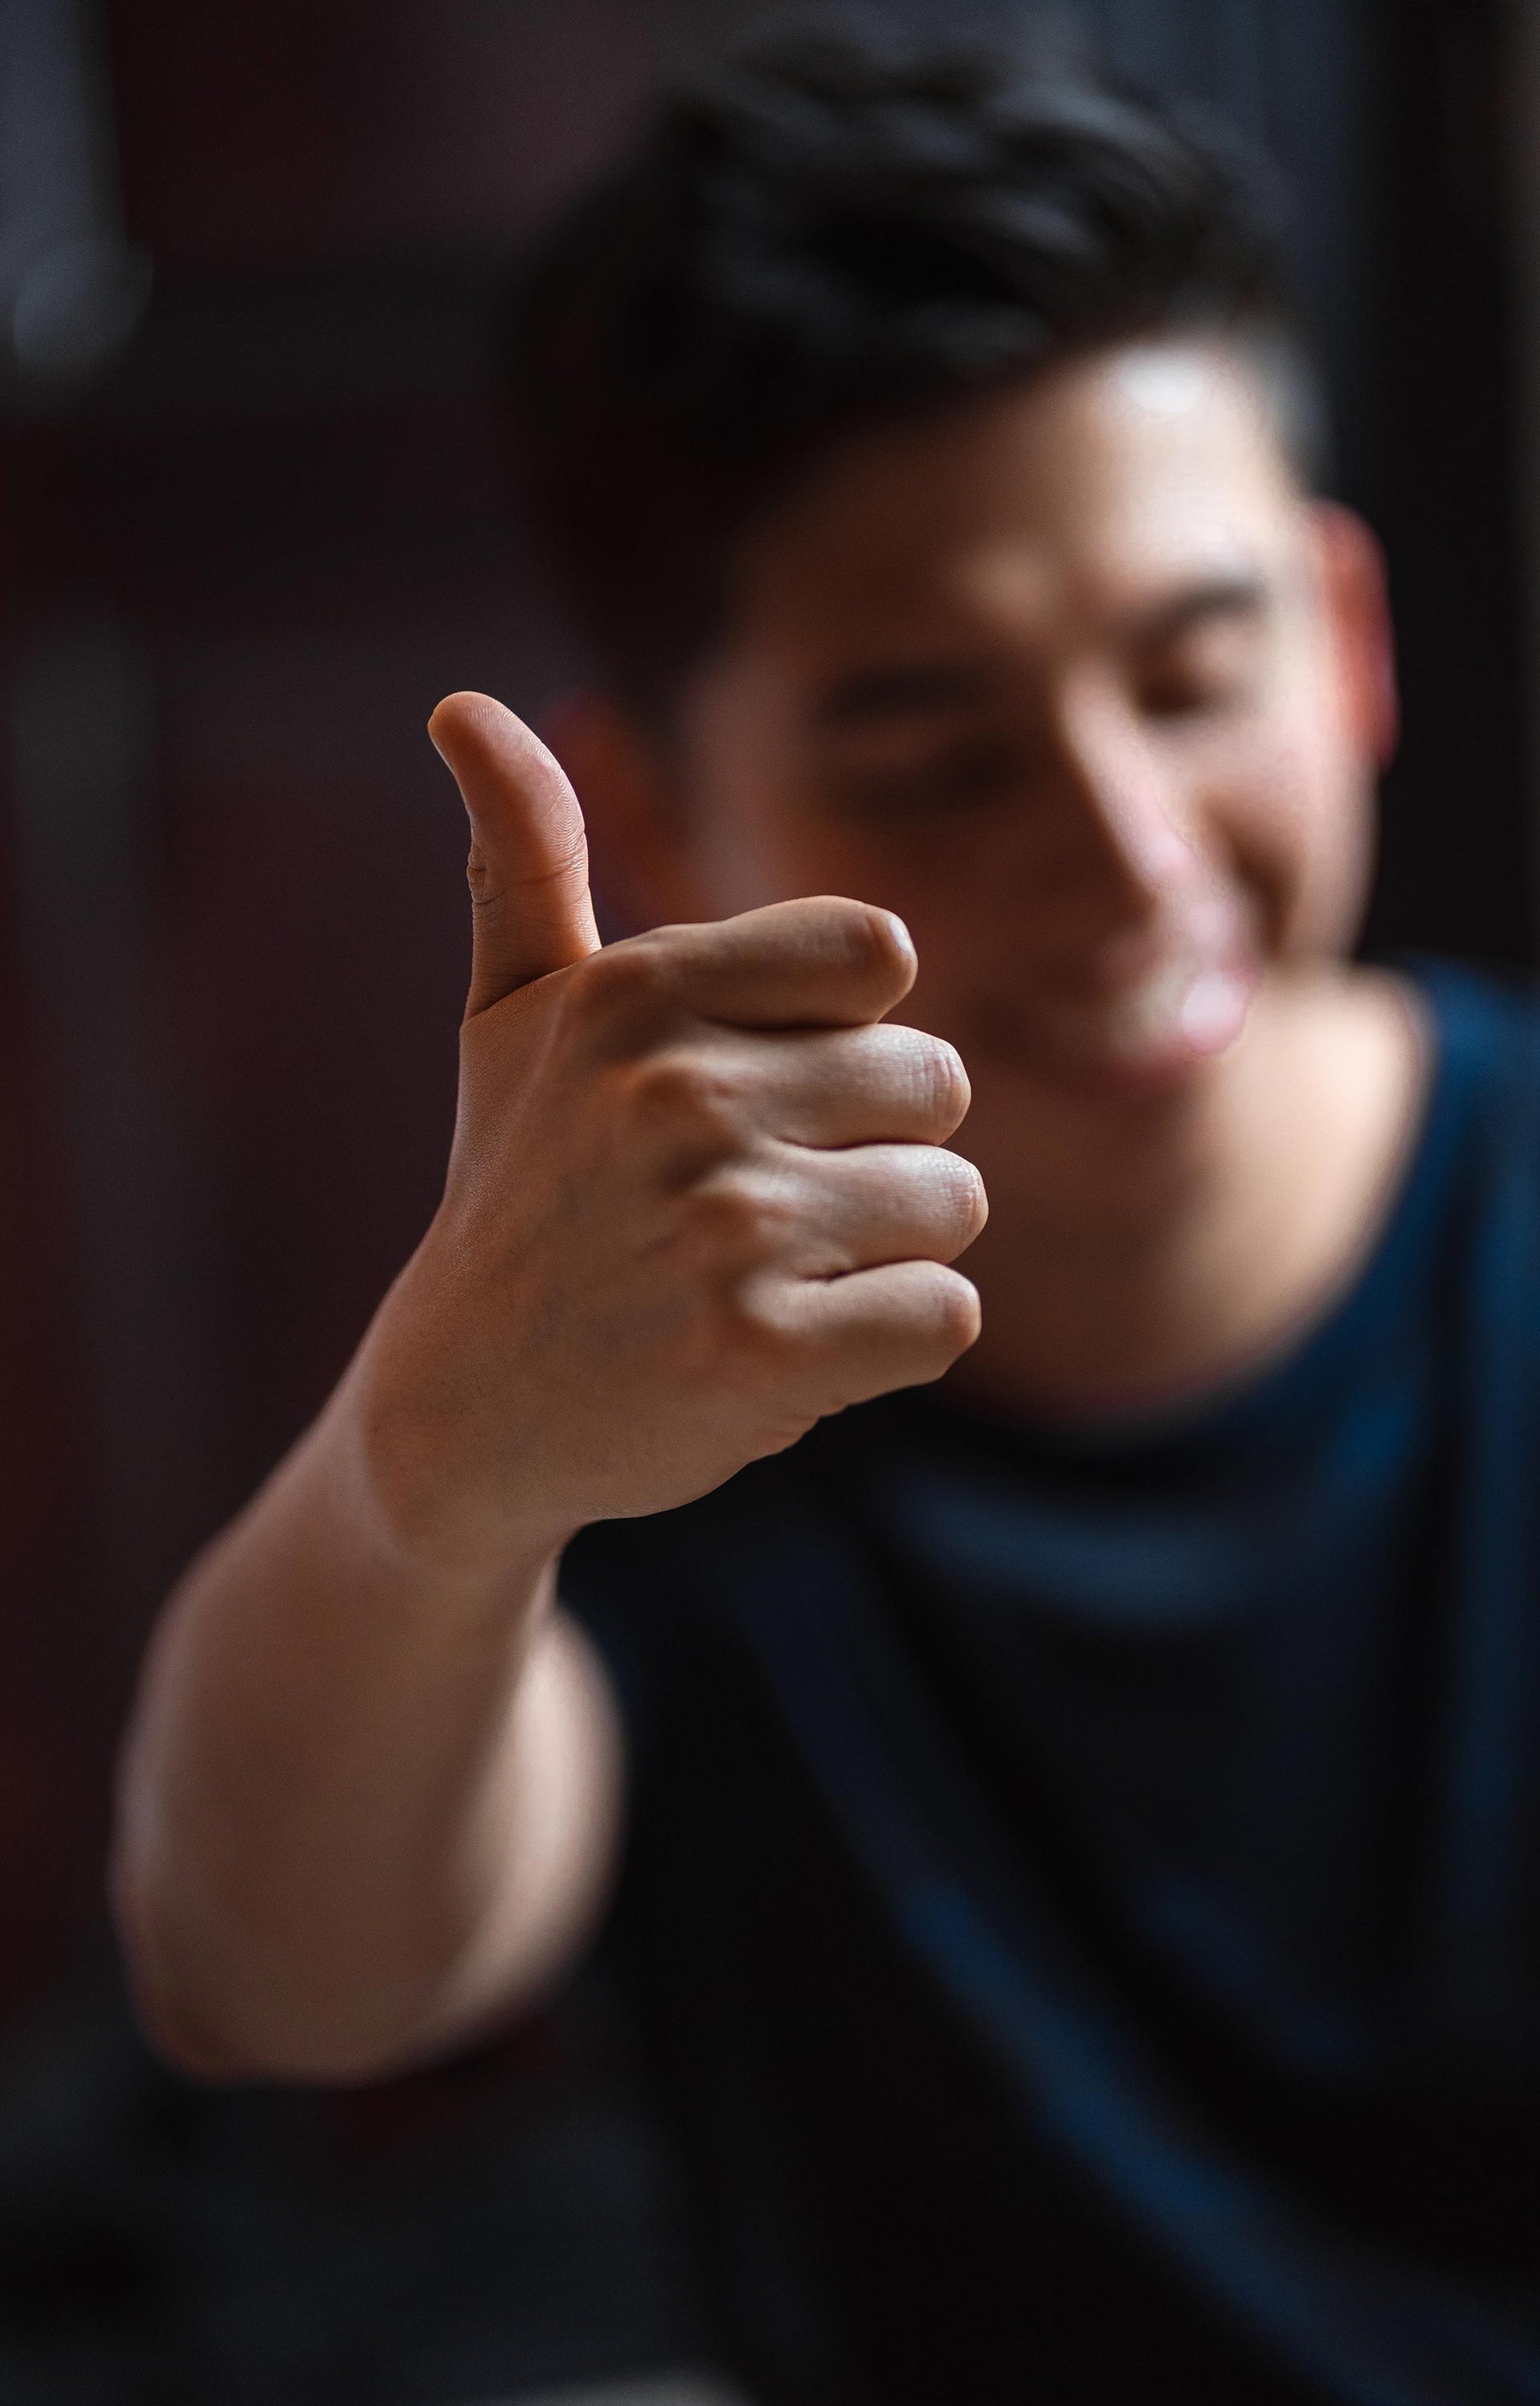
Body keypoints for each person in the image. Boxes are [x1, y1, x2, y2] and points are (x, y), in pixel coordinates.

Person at [108, 16, 1540, 2403]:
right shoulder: (664, 1364)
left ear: (1352, 635)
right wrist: (434, 1466)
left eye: (1199, 675)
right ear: (663, 812)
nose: (1128, 860)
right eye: (942, 751)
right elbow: (274, 1971)